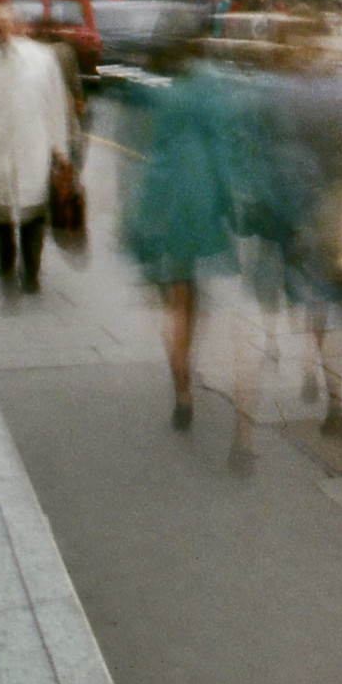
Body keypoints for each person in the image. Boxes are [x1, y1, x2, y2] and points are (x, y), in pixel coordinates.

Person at [119, 40, 241, 428]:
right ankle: (187, 364)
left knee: (172, 293)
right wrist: (227, 198)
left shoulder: (156, 94)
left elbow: (138, 149)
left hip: (161, 196)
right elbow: (222, 152)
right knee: (190, 293)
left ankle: (181, 385)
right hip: (199, 193)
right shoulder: (208, 92)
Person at [0, 1, 70, 293]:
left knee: (34, 209)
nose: (1, 29)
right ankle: (6, 261)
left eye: (6, 23)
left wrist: (60, 149)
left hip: (33, 144)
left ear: (16, 24)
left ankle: (31, 270)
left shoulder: (41, 58)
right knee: (1, 210)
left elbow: (55, 104)